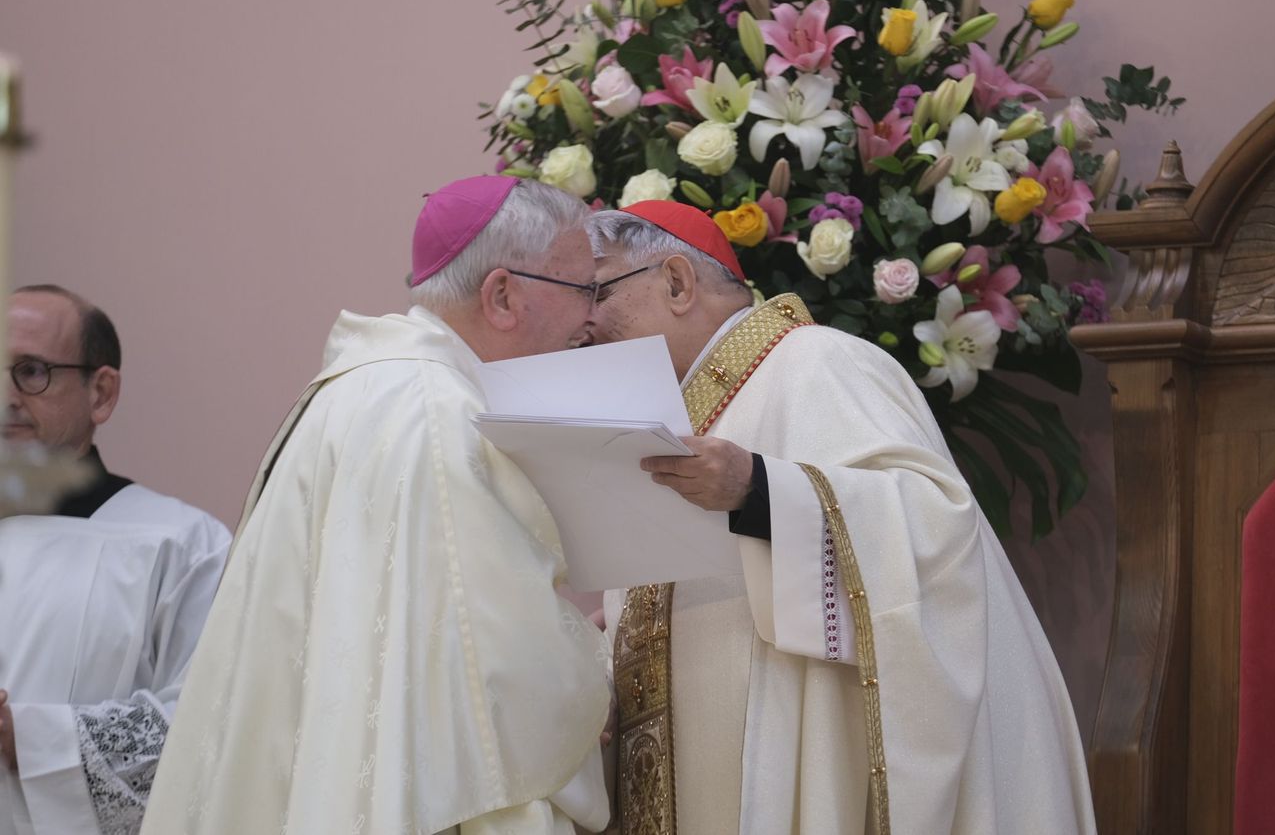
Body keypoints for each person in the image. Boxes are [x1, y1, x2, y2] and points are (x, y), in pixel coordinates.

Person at [586, 202, 1097, 835]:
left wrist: (759, 488)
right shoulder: (679, 415)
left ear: (676, 282)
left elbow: (933, 529)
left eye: (596, 291)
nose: (583, 321)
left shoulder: (817, 363)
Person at [140, 177, 612, 835]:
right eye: (584, 291)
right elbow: (504, 681)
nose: (592, 319)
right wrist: (597, 659)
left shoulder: (351, 389)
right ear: (502, 294)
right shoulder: (445, 415)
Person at [0, 284, 231, 835]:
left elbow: (213, 729)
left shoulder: (182, 545)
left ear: (101, 392)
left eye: (30, 372)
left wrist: (26, 739)